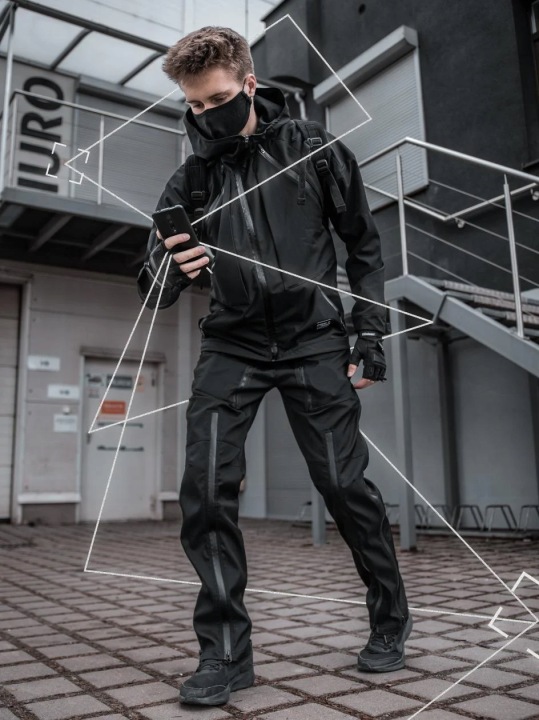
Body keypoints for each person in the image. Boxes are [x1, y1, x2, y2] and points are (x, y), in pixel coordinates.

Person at [137, 26, 412, 707]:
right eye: (194, 106)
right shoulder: (188, 181)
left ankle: (389, 619)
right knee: (205, 489)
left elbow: (363, 247)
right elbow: (148, 284)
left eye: (218, 100)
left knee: (342, 485)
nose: (206, 115)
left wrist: (368, 332)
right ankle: (225, 654)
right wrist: (169, 270)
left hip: (312, 339)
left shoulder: (316, 150)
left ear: (249, 84)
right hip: (231, 344)